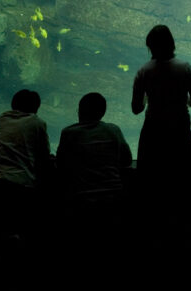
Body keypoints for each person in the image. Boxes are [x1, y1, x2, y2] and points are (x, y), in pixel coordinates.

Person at [0, 89, 51, 257]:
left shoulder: (2, 119)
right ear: (36, 107)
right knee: (18, 231)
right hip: (20, 185)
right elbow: (44, 156)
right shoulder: (38, 123)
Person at [54, 92, 132, 258]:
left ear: (79, 111)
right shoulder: (113, 130)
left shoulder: (68, 133)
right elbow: (127, 161)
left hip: (80, 200)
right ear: (102, 112)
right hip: (113, 198)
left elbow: (61, 165)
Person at [131, 25, 191, 178]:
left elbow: (136, 108)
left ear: (150, 46)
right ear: (171, 44)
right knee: (180, 172)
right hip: (180, 128)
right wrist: (183, 99)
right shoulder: (186, 68)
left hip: (153, 129)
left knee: (151, 174)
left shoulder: (143, 71)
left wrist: (147, 97)